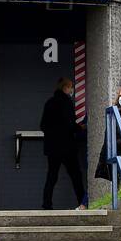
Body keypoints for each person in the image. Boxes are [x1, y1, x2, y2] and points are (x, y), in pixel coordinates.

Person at [40, 76, 84, 209]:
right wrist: (80, 128)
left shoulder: (49, 103)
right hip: (67, 147)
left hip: (52, 147)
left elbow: (43, 125)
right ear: (66, 88)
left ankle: (47, 204)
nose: (72, 90)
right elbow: (69, 124)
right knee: (76, 175)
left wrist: (52, 135)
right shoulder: (66, 103)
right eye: (71, 87)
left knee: (52, 176)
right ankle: (83, 202)